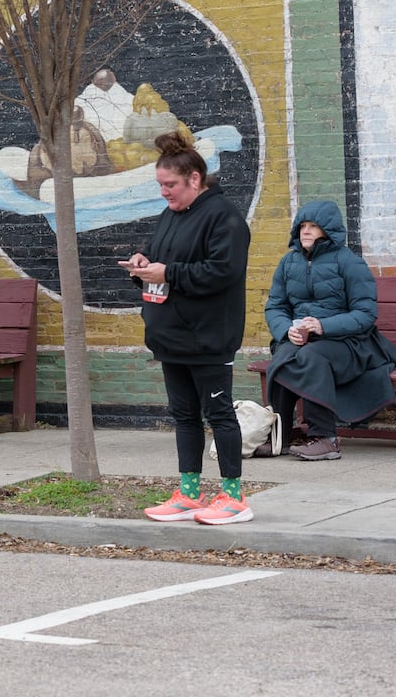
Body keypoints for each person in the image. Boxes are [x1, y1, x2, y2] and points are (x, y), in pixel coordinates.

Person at [122, 132, 252, 526]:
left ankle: (234, 497)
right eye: (160, 185)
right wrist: (143, 265)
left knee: (220, 415)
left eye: (170, 185)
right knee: (183, 417)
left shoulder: (224, 218)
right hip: (170, 336)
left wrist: (169, 272)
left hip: (208, 336)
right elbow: (163, 263)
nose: (164, 193)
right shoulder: (170, 215)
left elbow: (222, 271)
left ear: (195, 179)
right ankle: (190, 492)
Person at [262, 200, 396, 461]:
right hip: (303, 339)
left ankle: (325, 437)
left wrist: (323, 326)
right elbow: (275, 306)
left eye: (313, 226)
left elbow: (365, 314)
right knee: (282, 357)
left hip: (350, 343)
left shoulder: (349, 262)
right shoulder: (288, 262)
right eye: (303, 225)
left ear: (328, 230)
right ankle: (278, 437)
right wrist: (285, 331)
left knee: (310, 358)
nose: (305, 231)